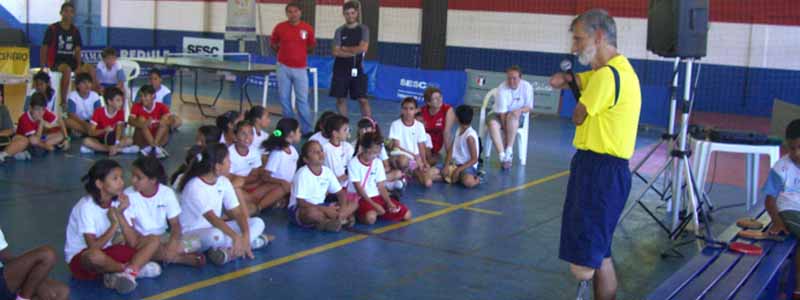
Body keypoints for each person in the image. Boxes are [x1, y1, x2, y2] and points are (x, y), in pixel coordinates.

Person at [549, 9, 641, 300]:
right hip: (603, 170)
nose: (574, 47)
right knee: (601, 252)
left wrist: (577, 95)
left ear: (599, 36)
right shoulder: (617, 72)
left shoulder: (608, 77)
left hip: (599, 171)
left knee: (588, 259)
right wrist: (570, 80)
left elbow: (578, 116)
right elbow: (580, 81)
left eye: (579, 39)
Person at [65, 159, 161, 294]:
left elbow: (132, 241)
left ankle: (124, 273)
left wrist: (121, 213)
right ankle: (127, 269)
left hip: (108, 252)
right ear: (99, 183)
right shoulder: (86, 207)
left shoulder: (117, 201)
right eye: (115, 179)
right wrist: (114, 225)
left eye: (121, 177)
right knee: (95, 256)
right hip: (82, 259)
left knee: (153, 240)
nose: (121, 182)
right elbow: (93, 248)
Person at [177, 144, 270, 266]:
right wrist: (235, 236)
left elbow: (237, 212)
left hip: (216, 228)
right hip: (191, 236)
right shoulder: (195, 186)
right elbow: (212, 218)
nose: (231, 164)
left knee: (257, 222)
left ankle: (233, 249)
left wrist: (246, 235)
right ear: (217, 167)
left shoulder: (223, 182)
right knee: (215, 236)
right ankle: (243, 246)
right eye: (228, 161)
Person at [122, 156, 205, 267]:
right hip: (141, 240)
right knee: (149, 246)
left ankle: (158, 256)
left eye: (138, 178)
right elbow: (131, 231)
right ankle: (178, 259)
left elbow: (175, 224)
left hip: (162, 237)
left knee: (196, 242)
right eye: (133, 176)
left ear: (153, 180)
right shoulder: (128, 195)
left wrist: (173, 242)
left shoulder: (167, 193)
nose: (133, 180)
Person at [763, 119, 800, 300]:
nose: (797, 153)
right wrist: (777, 221)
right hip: (788, 209)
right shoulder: (781, 167)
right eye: (792, 148)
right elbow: (770, 199)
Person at [290, 141, 357, 231]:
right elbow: (301, 203)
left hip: (321, 205)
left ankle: (331, 221)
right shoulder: (302, 174)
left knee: (353, 203)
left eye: (321, 150)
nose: (320, 154)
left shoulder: (327, 171)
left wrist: (342, 209)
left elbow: (340, 193)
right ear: (305, 159)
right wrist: (326, 210)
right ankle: (334, 221)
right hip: (301, 209)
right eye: (314, 152)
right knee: (312, 213)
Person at [270, 2, 316, 135]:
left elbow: (311, 46)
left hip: (301, 69)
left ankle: (307, 130)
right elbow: (273, 43)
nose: (293, 14)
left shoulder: (307, 28)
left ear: (300, 12)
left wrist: (299, 52)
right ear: (286, 13)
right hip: (283, 67)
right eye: (290, 11)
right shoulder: (280, 27)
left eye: (295, 11)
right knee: (284, 98)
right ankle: (289, 129)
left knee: (302, 100)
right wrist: (283, 52)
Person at [348, 132, 411, 224]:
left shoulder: (377, 162)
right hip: (362, 198)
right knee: (371, 218)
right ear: (363, 149)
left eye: (377, 153)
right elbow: (359, 190)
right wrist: (374, 205)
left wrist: (389, 202)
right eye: (372, 152)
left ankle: (378, 212)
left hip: (378, 197)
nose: (374, 155)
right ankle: (358, 214)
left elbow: (381, 186)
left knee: (407, 215)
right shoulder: (353, 163)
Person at [0, 227, 69, 300]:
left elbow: (6, 258)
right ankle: (23, 298)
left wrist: (36, 281)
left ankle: (23, 297)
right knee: (47, 255)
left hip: (5, 280)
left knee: (61, 292)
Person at [40, 2, 89, 106]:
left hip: (69, 59)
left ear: (74, 14)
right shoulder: (53, 28)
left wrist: (79, 65)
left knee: (90, 69)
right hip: (56, 60)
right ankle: (63, 101)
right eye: (66, 11)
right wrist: (43, 66)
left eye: (71, 12)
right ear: (61, 13)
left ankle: (91, 97)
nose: (68, 14)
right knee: (67, 69)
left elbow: (78, 49)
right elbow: (44, 47)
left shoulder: (75, 30)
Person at [487, 65, 534, 170]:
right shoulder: (502, 88)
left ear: (520, 78)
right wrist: (505, 132)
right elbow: (502, 114)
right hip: (499, 113)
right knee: (492, 124)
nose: (511, 81)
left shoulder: (527, 87)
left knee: (512, 115)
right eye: (509, 78)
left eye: (514, 78)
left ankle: (509, 150)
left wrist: (520, 110)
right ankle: (502, 156)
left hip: (516, 115)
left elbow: (529, 107)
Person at [330, 0, 371, 118]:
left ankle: (369, 127)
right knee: (340, 100)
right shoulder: (339, 31)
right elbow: (335, 51)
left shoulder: (364, 29)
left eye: (352, 13)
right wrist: (353, 51)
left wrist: (345, 48)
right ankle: (344, 127)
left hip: (357, 68)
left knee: (363, 100)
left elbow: (363, 48)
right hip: (340, 69)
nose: (350, 16)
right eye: (347, 13)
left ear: (357, 13)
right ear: (344, 14)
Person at [388, 97, 441, 188]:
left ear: (416, 110)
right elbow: (397, 146)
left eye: (411, 109)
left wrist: (424, 162)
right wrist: (414, 156)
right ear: (402, 110)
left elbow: (421, 146)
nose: (408, 111)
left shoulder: (419, 126)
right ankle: (408, 174)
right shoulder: (395, 124)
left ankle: (410, 175)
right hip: (400, 157)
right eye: (405, 108)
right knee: (403, 160)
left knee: (428, 183)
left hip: (415, 160)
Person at [0, 93, 67, 163]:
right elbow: (34, 140)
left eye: (43, 109)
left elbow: (60, 120)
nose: (40, 113)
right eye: (37, 109)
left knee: (60, 135)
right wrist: (42, 124)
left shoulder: (44, 112)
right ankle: (41, 149)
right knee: (32, 140)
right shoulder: (24, 118)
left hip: (40, 140)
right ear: (30, 108)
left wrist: (66, 138)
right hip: (29, 144)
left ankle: (41, 148)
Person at [80, 87, 139, 156]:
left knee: (130, 140)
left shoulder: (120, 112)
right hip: (100, 138)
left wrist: (116, 143)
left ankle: (102, 149)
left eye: (122, 100)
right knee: (86, 141)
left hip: (113, 139)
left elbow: (119, 130)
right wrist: (104, 130)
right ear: (110, 102)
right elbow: (91, 132)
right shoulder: (98, 111)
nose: (121, 103)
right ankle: (119, 150)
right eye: (118, 100)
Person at [259, 118, 302, 211]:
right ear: (291, 133)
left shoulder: (293, 151)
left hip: (288, 186)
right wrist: (282, 182)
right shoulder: (277, 153)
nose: (300, 134)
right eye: (299, 131)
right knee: (283, 188)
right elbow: (265, 176)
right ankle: (259, 207)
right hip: (275, 186)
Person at [129, 84, 181, 158]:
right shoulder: (136, 106)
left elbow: (172, 120)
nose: (142, 98)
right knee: (141, 119)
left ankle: (153, 146)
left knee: (165, 119)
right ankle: (155, 147)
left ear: (153, 96)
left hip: (158, 138)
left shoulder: (161, 106)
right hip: (142, 140)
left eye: (145, 96)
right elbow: (130, 121)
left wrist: (163, 122)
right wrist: (143, 124)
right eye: (141, 96)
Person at [442, 105, 480, 188]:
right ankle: (456, 177)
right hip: (455, 164)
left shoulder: (469, 137)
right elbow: (452, 149)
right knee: (433, 173)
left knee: (468, 182)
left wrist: (458, 170)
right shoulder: (458, 129)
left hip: (466, 166)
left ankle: (477, 179)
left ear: (458, 119)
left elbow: (474, 159)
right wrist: (446, 165)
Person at [420, 87, 456, 166]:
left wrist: (449, 159)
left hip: (435, 148)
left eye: (440, 97)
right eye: (435, 98)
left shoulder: (448, 110)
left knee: (431, 162)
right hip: (422, 146)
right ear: (428, 103)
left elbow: (447, 134)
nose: (439, 100)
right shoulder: (421, 111)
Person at [321, 114, 354, 186]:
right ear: (335, 133)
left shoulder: (348, 146)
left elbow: (353, 165)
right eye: (345, 130)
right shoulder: (326, 149)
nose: (348, 132)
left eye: (348, 129)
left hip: (348, 185)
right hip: (334, 187)